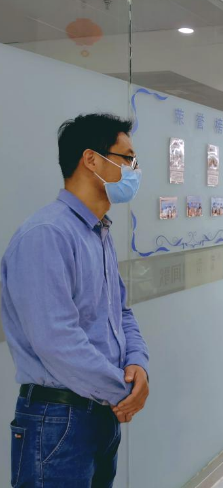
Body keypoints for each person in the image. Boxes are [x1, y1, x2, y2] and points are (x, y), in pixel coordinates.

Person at [1, 114, 150, 488]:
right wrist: (123, 391)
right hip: (58, 419)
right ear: (92, 160)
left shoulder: (98, 231)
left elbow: (121, 313)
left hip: (99, 412)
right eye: (128, 158)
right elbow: (56, 340)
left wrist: (138, 364)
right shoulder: (46, 235)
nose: (134, 170)